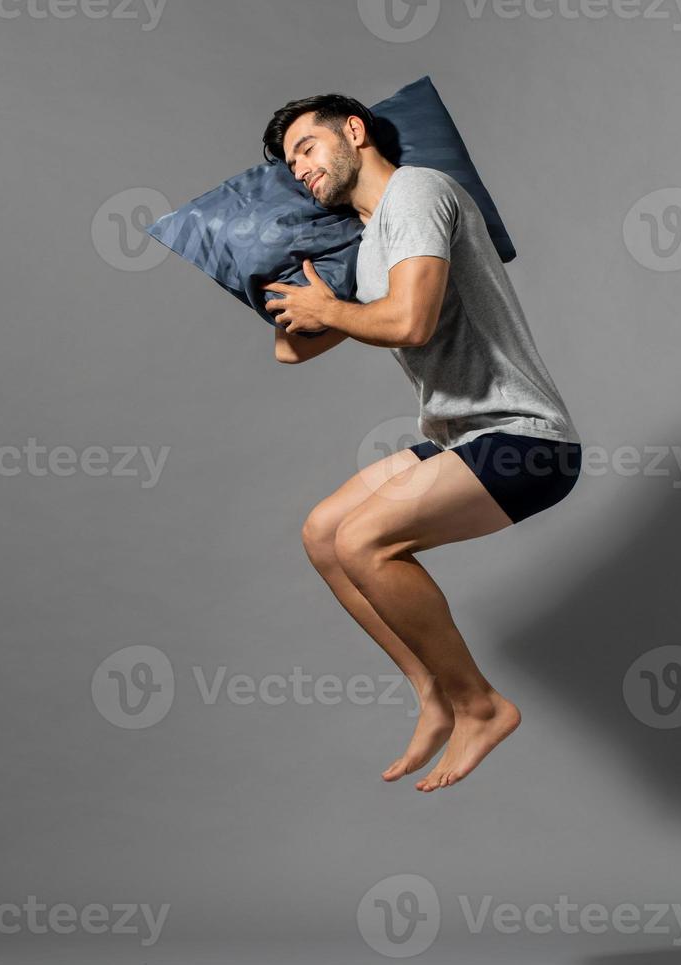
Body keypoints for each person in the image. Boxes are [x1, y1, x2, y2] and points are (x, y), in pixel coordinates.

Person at [261, 94, 582, 792]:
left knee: (363, 541)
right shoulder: (370, 236)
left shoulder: (418, 193)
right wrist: (302, 304)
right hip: (460, 439)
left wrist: (331, 309)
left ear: (355, 131)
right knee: (323, 534)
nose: (301, 172)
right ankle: (432, 692)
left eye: (308, 150)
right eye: (290, 166)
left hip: (526, 438)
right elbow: (294, 353)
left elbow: (408, 321)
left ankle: (481, 705)